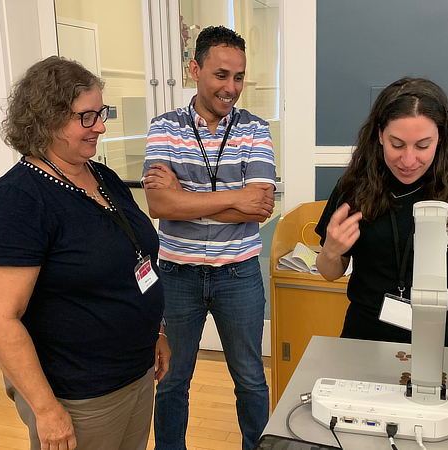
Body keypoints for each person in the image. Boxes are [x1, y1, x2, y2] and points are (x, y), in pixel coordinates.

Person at [0, 56, 169, 450]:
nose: (101, 125)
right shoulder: (15, 201)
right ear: (46, 121)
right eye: (87, 117)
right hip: (79, 393)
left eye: (102, 112)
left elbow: (131, 260)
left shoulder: (102, 176)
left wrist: (155, 331)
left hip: (135, 373)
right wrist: (45, 410)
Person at [142, 25, 275, 450]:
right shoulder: (164, 126)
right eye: (221, 75)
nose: (231, 87)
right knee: (172, 381)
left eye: (238, 77)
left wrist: (186, 195)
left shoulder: (256, 129)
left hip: (238, 275)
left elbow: (261, 206)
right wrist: (235, 197)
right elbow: (160, 207)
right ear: (194, 69)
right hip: (177, 276)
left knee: (251, 380)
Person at [315, 77, 448, 348]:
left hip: (446, 340)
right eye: (397, 144)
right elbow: (329, 272)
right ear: (380, 135)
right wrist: (331, 252)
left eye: (422, 146)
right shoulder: (355, 188)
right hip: (366, 338)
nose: (408, 161)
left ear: (441, 138)